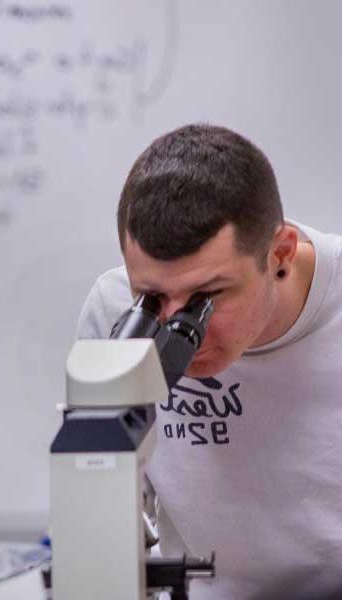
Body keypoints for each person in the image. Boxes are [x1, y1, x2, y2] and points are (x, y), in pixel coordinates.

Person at [76, 123, 342, 600]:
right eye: (153, 298)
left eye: (207, 296)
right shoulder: (112, 307)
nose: (183, 333)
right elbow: (106, 511)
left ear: (279, 253)